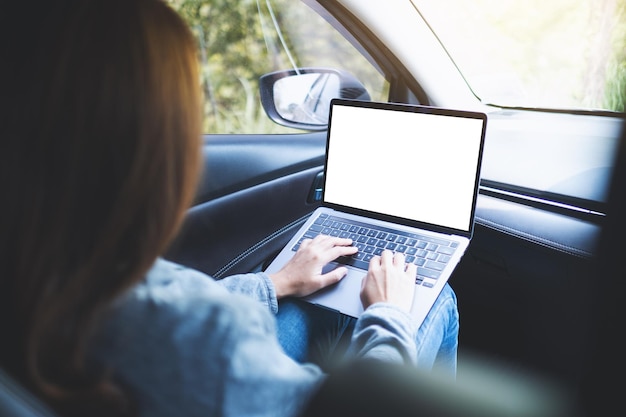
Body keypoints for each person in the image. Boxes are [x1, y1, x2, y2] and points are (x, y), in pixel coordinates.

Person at [0, 1, 459, 417]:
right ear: (149, 147)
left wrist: (273, 283)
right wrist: (389, 314)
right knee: (434, 299)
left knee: (309, 304)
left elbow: (164, 300)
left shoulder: (42, 275)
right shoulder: (195, 336)